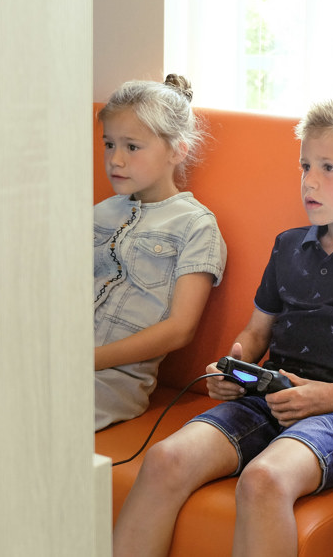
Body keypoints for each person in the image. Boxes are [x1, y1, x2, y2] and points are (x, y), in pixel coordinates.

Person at [112, 99, 333, 557]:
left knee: (265, 480)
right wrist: (234, 364)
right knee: (166, 458)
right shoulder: (289, 247)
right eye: (305, 165)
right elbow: (256, 334)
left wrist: (326, 397)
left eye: (329, 168)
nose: (310, 180)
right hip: (265, 398)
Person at [94, 76, 226, 431]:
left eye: (132, 147)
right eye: (109, 144)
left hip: (110, 381)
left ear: (177, 150)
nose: (115, 160)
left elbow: (179, 329)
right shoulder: (100, 213)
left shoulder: (196, 226)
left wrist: (85, 361)